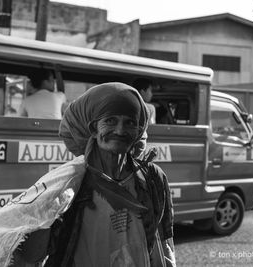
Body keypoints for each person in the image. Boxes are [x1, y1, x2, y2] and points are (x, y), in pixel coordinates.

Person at [37, 82, 175, 266]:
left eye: (130, 123)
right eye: (110, 121)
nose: (120, 130)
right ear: (93, 129)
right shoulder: (71, 183)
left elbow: (164, 240)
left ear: (138, 131)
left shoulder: (151, 177)